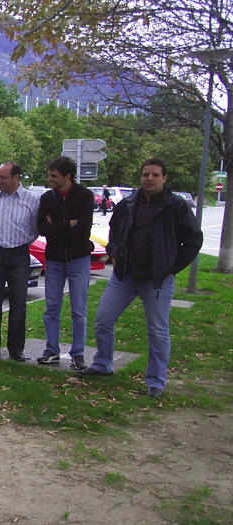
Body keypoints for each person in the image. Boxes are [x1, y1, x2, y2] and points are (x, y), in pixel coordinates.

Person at [78, 158, 202, 397]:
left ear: (164, 178)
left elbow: (193, 240)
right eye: (146, 174)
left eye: (155, 175)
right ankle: (103, 365)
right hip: (124, 276)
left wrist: (171, 267)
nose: (150, 179)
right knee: (103, 320)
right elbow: (115, 231)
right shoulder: (129, 203)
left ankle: (156, 382)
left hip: (157, 279)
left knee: (157, 331)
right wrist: (114, 253)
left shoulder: (175, 206)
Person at [0, 161, 39, 362]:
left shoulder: (31, 199)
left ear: (16, 177)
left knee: (18, 303)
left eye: (2, 177)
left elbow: (34, 229)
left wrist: (21, 243)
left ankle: (16, 349)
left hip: (19, 253)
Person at [36, 156, 94, 370]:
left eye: (54, 176)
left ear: (67, 176)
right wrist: (67, 224)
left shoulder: (85, 196)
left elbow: (83, 229)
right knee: (52, 307)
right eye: (50, 175)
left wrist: (56, 226)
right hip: (54, 259)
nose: (50, 179)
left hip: (78, 258)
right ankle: (52, 349)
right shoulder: (47, 198)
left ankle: (77, 353)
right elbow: (42, 228)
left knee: (78, 309)